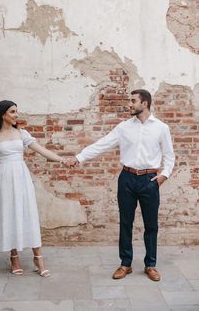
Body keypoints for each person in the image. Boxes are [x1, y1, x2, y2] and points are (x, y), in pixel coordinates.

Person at [67, 89, 175, 281]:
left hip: (150, 181)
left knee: (151, 225)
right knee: (126, 223)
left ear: (145, 104)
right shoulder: (124, 127)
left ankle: (150, 264)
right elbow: (102, 144)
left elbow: (169, 156)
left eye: (133, 101)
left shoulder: (161, 128)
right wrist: (79, 157)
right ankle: (126, 264)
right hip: (126, 178)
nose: (129, 104)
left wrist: (163, 177)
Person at [0, 100, 67, 277]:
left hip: (21, 178)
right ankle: (14, 257)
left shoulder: (21, 134)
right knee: (9, 215)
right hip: (3, 180)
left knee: (28, 214)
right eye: (12, 112)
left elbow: (42, 151)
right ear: (3, 114)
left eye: (16, 111)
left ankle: (38, 258)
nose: (16, 115)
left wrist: (63, 160)